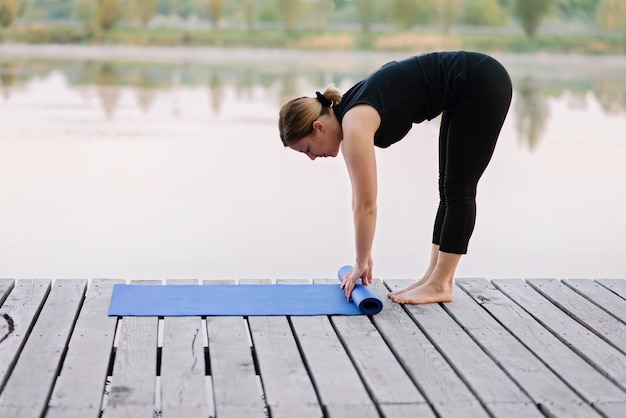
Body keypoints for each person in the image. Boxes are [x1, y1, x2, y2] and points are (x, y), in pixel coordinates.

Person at [278, 51, 512, 304]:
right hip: (466, 85)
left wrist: (359, 262)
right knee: (448, 188)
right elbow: (358, 200)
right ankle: (433, 278)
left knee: (459, 189)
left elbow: (368, 205)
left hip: (480, 82)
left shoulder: (355, 124)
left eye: (308, 149)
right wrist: (363, 256)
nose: (312, 158)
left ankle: (441, 283)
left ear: (319, 127)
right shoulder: (347, 120)